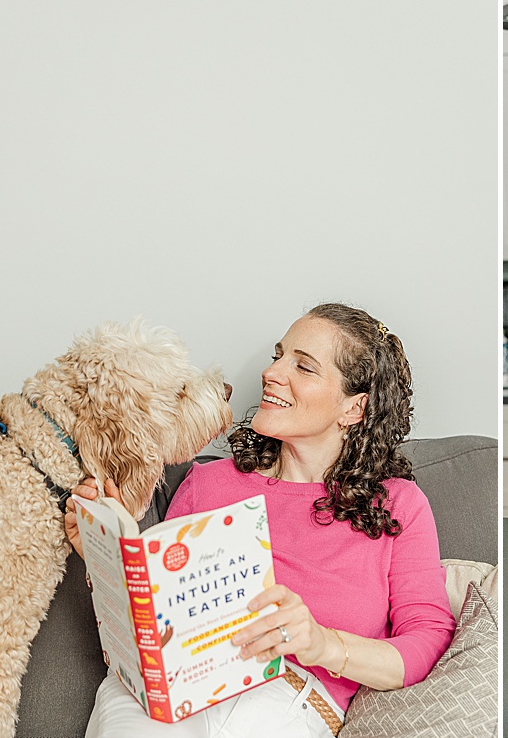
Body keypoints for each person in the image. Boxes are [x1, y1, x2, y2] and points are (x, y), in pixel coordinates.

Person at [65, 303, 456, 737]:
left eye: (303, 367)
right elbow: (155, 629)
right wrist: (107, 554)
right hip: (171, 693)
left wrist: (321, 643)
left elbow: (427, 641)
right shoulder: (208, 482)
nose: (272, 373)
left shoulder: (398, 506)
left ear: (354, 408)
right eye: (278, 355)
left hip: (287, 700)